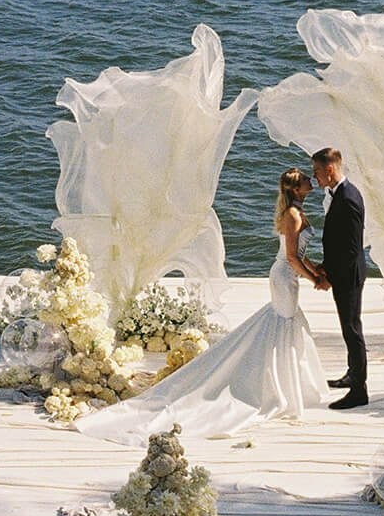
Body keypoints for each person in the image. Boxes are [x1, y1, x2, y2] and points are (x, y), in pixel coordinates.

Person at [73, 169, 327, 446]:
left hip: (288, 276)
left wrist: (316, 270)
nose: (310, 180)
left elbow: (299, 254)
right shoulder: (293, 215)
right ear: (296, 188)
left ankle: (285, 384)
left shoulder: (296, 212)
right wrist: (314, 279)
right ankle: (276, 387)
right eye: (305, 179)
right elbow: (291, 257)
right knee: (282, 325)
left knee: (282, 325)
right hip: (285, 276)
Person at [310, 147, 368, 408]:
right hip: (343, 271)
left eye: (317, 171)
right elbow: (338, 242)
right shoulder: (339, 194)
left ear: (330, 169)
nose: (315, 177)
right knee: (348, 328)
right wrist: (326, 266)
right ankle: (352, 374)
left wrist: (330, 276)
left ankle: (359, 391)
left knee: (352, 330)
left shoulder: (348, 198)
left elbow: (351, 249)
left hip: (349, 275)